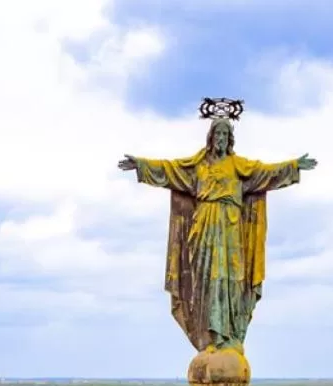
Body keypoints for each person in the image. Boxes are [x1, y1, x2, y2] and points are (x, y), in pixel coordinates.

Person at [118, 118, 316, 352]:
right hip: (204, 225)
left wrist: (293, 166)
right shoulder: (198, 166)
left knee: (232, 280)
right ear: (211, 138)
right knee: (206, 280)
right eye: (217, 135)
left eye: (225, 135)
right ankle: (209, 336)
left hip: (232, 228)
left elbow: (265, 172)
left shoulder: (239, 166)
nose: (220, 139)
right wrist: (141, 164)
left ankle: (229, 333)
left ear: (229, 140)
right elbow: (169, 170)